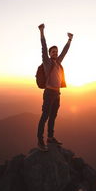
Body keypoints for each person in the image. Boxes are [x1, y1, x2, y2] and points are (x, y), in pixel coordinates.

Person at [37, 23, 73, 151]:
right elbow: (43, 46)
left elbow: (64, 52)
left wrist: (69, 40)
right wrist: (41, 31)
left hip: (57, 93)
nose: (55, 53)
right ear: (49, 53)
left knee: (53, 116)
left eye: (56, 52)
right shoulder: (47, 63)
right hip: (48, 93)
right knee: (45, 116)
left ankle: (50, 137)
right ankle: (40, 141)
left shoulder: (58, 62)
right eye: (53, 52)